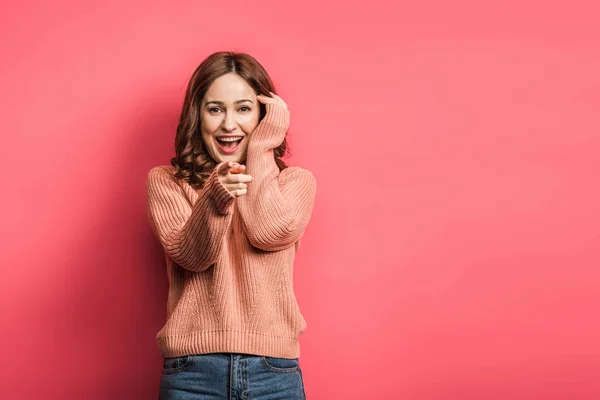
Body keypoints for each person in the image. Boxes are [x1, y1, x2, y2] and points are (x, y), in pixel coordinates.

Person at [146, 51, 317, 399]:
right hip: (192, 374)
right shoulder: (167, 181)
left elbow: (267, 233)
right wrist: (214, 198)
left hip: (274, 373)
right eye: (215, 109)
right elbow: (191, 257)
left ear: (264, 116)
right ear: (198, 116)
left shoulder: (295, 183)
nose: (228, 124)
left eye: (243, 108)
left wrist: (262, 147)